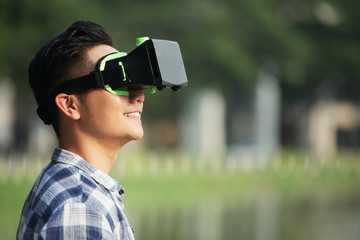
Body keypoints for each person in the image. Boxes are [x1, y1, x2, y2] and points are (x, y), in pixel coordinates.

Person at [17, 20, 143, 239]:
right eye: (116, 81)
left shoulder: (69, 186)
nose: (138, 96)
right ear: (69, 105)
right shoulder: (81, 207)